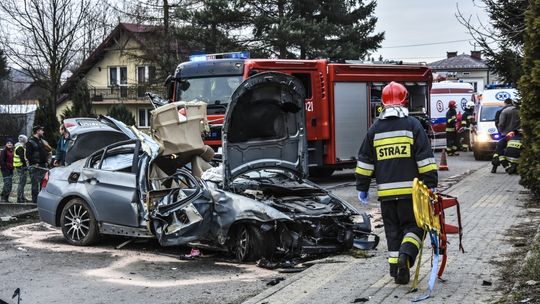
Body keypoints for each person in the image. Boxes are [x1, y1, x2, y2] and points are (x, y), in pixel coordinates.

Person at [355, 81, 438, 285]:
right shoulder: (413, 125)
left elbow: (365, 161)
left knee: (392, 231)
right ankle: (406, 256)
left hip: (386, 195)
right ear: (404, 101)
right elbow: (425, 159)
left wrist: (362, 188)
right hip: (411, 194)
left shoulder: (374, 129)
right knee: (416, 227)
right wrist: (430, 183)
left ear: (383, 102)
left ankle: (396, 270)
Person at [492, 98, 520, 173]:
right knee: (514, 150)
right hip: (516, 134)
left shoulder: (504, 111)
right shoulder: (520, 111)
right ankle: (513, 166)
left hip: (505, 135)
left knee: (499, 150)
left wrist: (500, 131)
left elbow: (501, 124)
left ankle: (495, 167)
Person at [26, 125, 49, 204]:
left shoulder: (41, 141)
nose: (43, 132)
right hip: (35, 167)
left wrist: (46, 161)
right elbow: (28, 155)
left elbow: (44, 152)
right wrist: (34, 163)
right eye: (41, 130)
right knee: (35, 185)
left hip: (43, 166)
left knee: (43, 185)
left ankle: (41, 201)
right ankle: (35, 202)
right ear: (37, 131)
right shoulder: (30, 142)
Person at [13, 135, 29, 203]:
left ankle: (22, 197)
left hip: (19, 166)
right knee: (21, 183)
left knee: (22, 183)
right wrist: (26, 166)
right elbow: (22, 158)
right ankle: (19, 198)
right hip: (21, 166)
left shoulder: (19, 146)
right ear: (25, 140)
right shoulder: (20, 147)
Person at [1, 138, 15, 202]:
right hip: (5, 170)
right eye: (8, 143)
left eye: (11, 143)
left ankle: (6, 199)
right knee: (7, 184)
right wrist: (5, 169)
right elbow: (2, 161)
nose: (9, 144)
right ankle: (3, 198)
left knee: (9, 185)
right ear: (6, 144)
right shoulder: (4, 151)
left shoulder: (12, 150)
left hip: (11, 170)